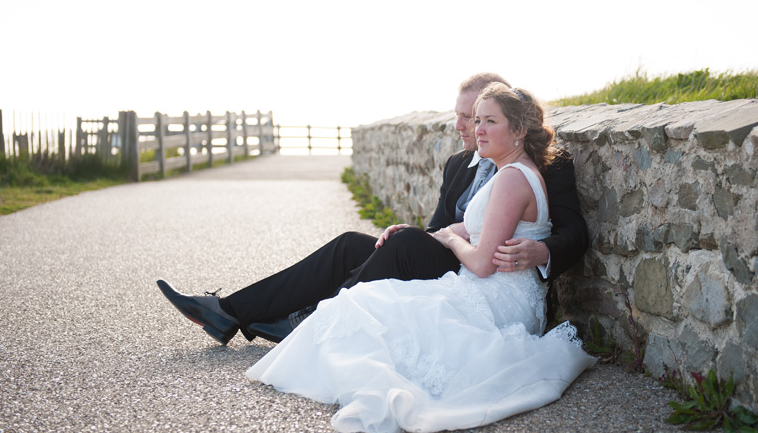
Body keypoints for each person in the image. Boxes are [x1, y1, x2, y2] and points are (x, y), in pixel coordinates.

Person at [246, 82, 596, 433]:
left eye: (488, 121)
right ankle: (239, 312)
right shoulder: (506, 170)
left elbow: (480, 261)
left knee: (378, 306)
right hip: (492, 285)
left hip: (497, 296)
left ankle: (313, 325)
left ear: (519, 129)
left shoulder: (514, 177)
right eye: (476, 121)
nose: (476, 130)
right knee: (363, 258)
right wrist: (431, 234)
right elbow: (473, 227)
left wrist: (452, 240)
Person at [156, 72, 589, 345]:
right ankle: (227, 312)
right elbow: (440, 227)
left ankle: (312, 318)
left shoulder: (546, 165)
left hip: (487, 276)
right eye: (464, 117)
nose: (465, 127)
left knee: (401, 248)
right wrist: (409, 230)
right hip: (448, 258)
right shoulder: (459, 163)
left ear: (513, 124)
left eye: (477, 117)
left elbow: (574, 231)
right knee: (349, 245)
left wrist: (543, 252)